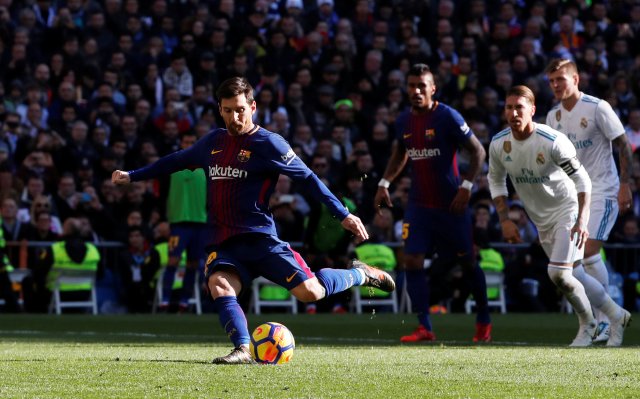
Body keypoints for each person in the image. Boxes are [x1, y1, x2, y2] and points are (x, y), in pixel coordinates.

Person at [112, 77, 395, 364]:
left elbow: (307, 178)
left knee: (311, 293)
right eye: (227, 110)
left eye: (240, 109)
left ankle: (361, 273)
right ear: (219, 110)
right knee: (219, 284)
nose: (234, 117)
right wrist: (132, 175)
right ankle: (243, 349)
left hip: (260, 239)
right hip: (224, 242)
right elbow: (175, 160)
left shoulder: (269, 143)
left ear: (253, 107)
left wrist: (342, 214)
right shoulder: (213, 142)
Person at [488, 85, 631, 347]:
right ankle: (616, 314)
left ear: (532, 110)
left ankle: (587, 325)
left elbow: (583, 181)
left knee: (558, 273)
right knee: (574, 274)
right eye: (509, 107)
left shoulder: (551, 140)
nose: (513, 112)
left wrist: (581, 220)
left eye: (519, 107)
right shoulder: (499, 144)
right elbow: (496, 181)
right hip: (540, 219)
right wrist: (505, 219)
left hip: (567, 210)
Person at [373, 63, 491, 343]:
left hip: (452, 205)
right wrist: (384, 182)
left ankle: (484, 320)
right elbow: (400, 152)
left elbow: (478, 151)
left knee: (467, 263)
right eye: (411, 85)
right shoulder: (403, 121)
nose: (415, 91)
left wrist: (466, 186)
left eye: (421, 86)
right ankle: (425, 326)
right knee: (412, 260)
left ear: (432, 89)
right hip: (419, 205)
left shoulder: (447, 116)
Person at [545, 58, 634, 343]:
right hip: (573, 196)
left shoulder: (598, 108)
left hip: (604, 191)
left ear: (576, 79)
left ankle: (607, 321)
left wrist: (625, 184)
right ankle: (601, 319)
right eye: (552, 81)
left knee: (587, 252)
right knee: (575, 263)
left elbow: (623, 145)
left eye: (561, 79)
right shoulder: (552, 117)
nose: (556, 85)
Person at [157, 131, 207, 313]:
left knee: (193, 264)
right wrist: (163, 218)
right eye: (186, 141)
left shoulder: (205, 166)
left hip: (200, 222)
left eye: (192, 142)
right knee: (173, 262)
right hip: (178, 222)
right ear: (181, 142)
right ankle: (164, 301)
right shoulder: (172, 164)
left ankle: (184, 302)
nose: (189, 144)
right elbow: (161, 194)